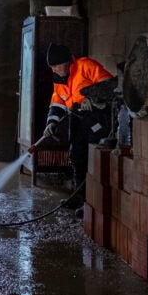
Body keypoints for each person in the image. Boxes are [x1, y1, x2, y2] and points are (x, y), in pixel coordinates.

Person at [43, 43, 113, 213]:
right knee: (77, 157)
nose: (54, 70)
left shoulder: (86, 66)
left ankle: (91, 203)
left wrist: (92, 98)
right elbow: (58, 102)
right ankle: (79, 197)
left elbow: (110, 85)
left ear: (67, 62)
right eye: (51, 67)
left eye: (56, 66)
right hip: (77, 120)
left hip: (96, 120)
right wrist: (51, 122)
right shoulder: (59, 79)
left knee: (93, 158)